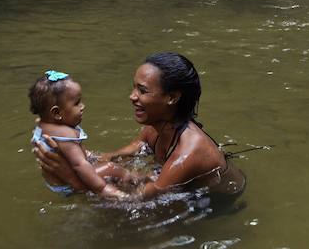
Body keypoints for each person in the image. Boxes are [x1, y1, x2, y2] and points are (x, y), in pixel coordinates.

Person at [33, 53, 246, 201]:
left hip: (214, 202)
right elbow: (121, 154)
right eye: (133, 87)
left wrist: (71, 180)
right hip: (172, 180)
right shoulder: (155, 126)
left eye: (142, 91)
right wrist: (77, 155)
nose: (132, 96)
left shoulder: (189, 152)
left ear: (172, 98)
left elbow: (140, 203)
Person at [28, 69, 127, 199]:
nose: (82, 106)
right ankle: (132, 180)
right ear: (56, 113)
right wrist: (102, 188)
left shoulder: (42, 124)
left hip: (55, 183)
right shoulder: (66, 134)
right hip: (69, 185)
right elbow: (80, 164)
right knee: (112, 168)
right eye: (76, 103)